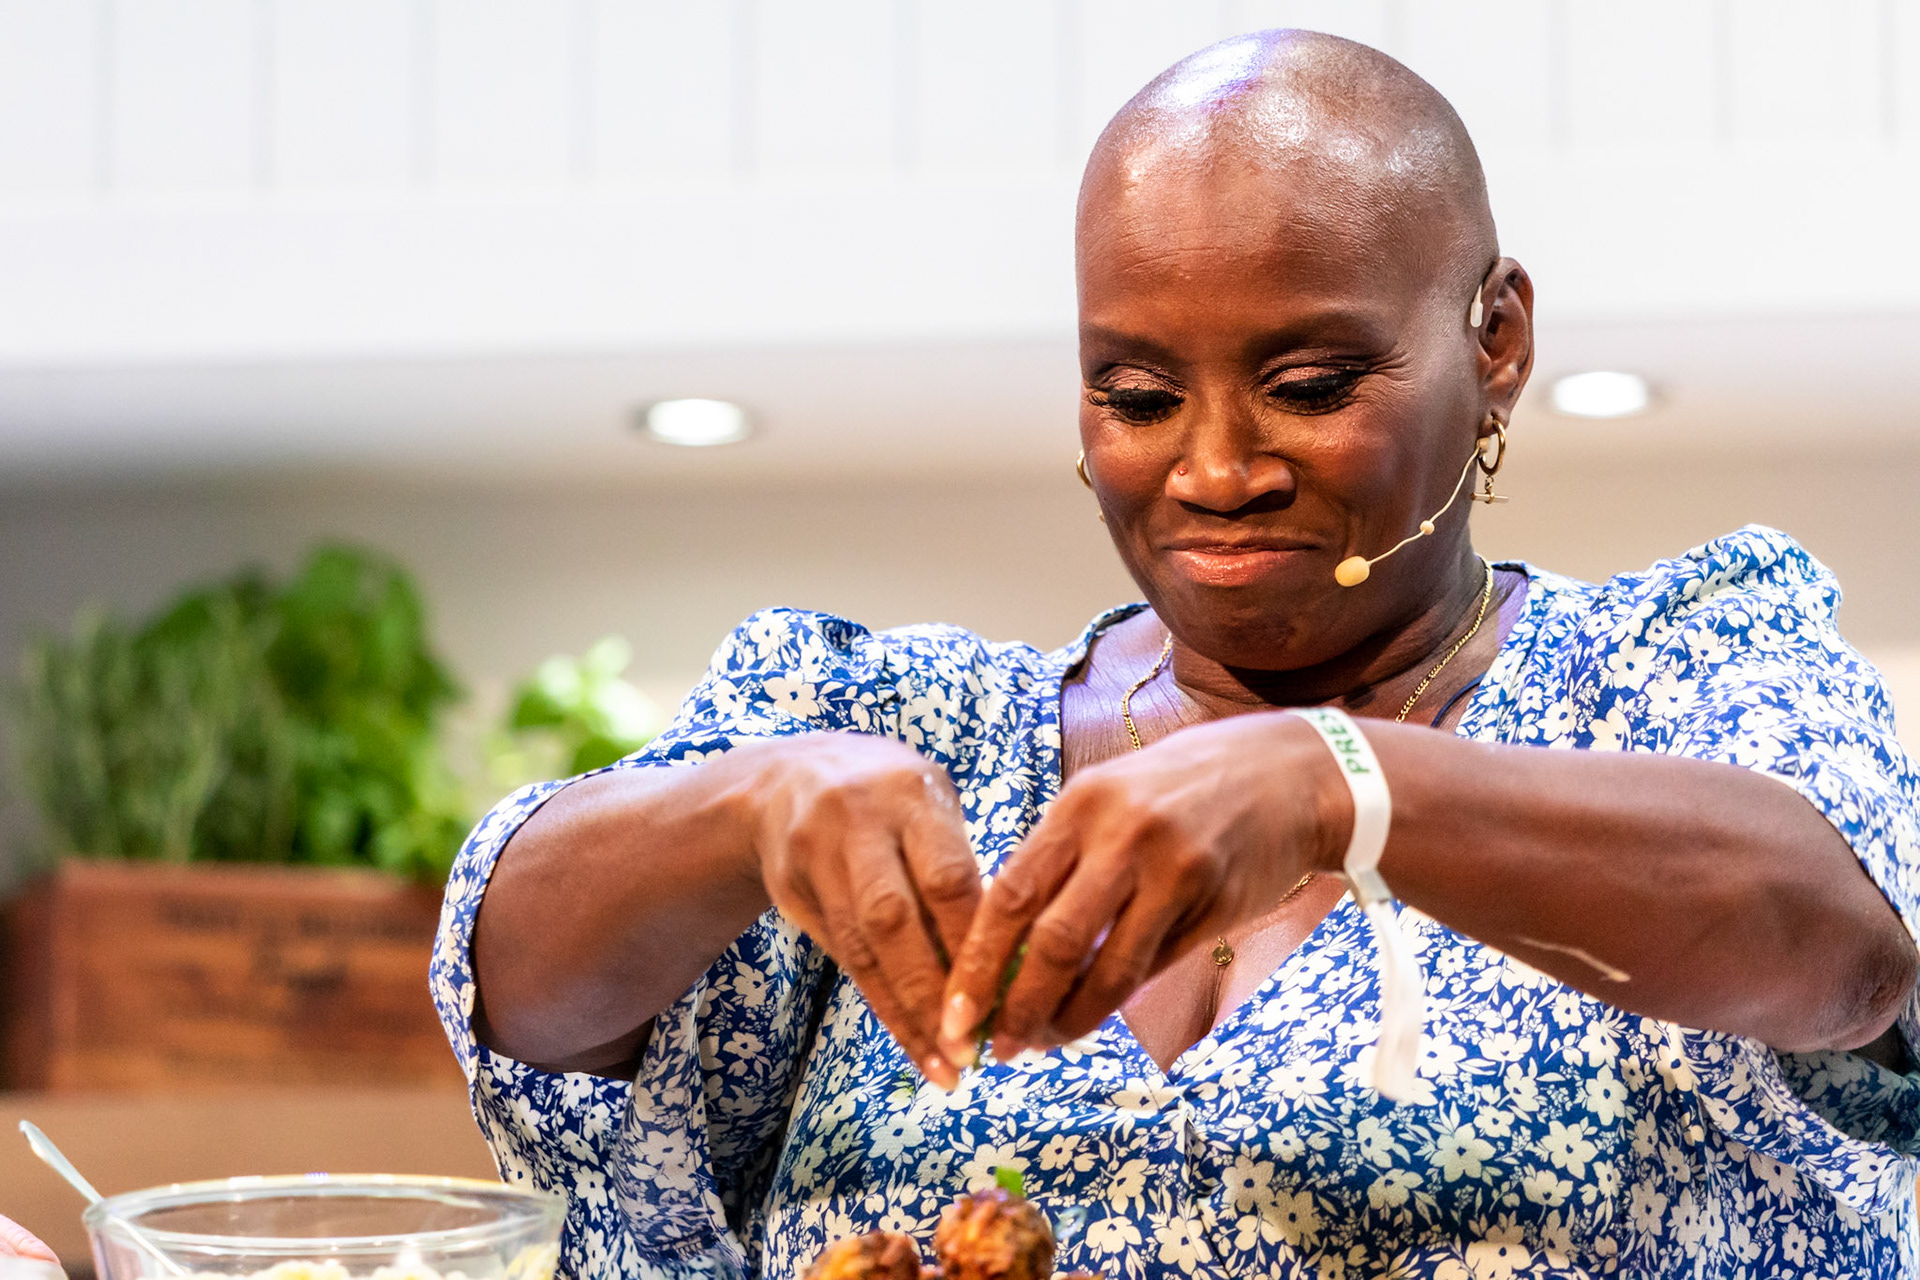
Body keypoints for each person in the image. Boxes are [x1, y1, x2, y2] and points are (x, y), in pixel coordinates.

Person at [432, 29, 1920, 1280]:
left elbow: (1849, 946)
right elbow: (522, 996)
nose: (1215, 470)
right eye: (1137, 395)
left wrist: (1336, 782)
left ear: (1499, 340)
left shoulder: (1664, 676)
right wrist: (742, 806)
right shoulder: (904, 721)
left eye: (1312, 382)